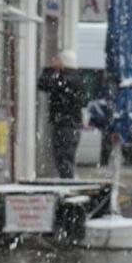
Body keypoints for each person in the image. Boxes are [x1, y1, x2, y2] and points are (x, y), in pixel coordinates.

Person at [38, 50, 84, 179]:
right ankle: (67, 182)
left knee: (63, 159)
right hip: (69, 125)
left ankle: (67, 185)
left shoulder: (67, 79)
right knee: (65, 158)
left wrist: (49, 70)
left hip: (66, 126)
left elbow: (43, 84)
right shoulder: (75, 78)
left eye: (57, 60)